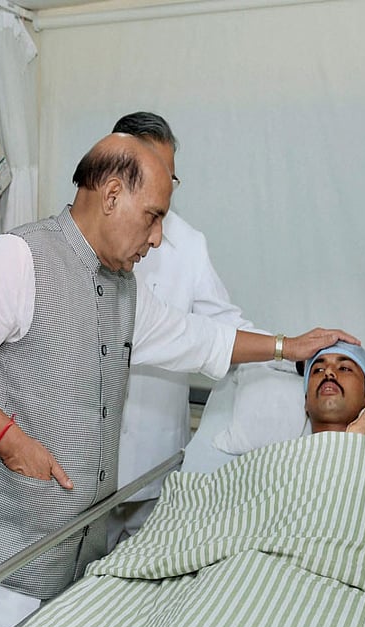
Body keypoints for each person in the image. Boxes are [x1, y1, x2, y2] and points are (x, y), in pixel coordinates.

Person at [0, 132, 358, 627]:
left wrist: (288, 346)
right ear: (111, 195)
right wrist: (9, 441)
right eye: (153, 217)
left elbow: (197, 338)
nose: (158, 237)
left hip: (70, 558)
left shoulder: (123, 288)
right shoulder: (21, 256)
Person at [108, 111, 260, 550]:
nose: (163, 185)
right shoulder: (81, 237)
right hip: (84, 468)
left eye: (170, 176)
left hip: (154, 464)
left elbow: (223, 326)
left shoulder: (188, 244)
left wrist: (288, 352)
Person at [301, 341, 365, 434]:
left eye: (344, 368)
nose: (328, 371)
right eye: (319, 370)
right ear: (306, 401)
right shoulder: (284, 443)